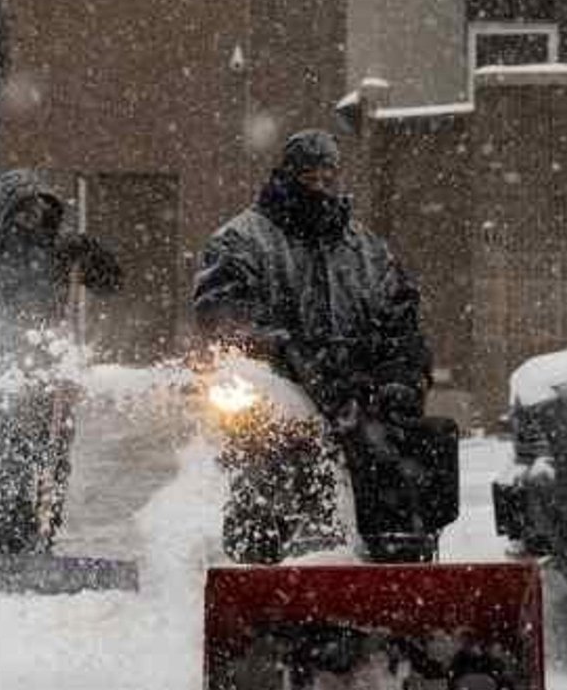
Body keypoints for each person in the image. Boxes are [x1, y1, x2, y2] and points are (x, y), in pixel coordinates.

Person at [193, 129, 455, 562]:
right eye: (309, 176)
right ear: (286, 175)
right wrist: (287, 352)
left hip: (361, 403)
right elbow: (221, 314)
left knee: (416, 457)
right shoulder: (240, 242)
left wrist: (401, 376)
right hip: (277, 404)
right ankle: (262, 577)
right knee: (268, 488)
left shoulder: (366, 250)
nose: (319, 186)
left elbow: (401, 323)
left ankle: (400, 560)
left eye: (327, 176)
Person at [0, 168, 122, 556]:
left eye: (39, 210)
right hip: (5, 372)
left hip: (50, 376)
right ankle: (8, 540)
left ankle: (42, 537)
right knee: (11, 461)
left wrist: (90, 255)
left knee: (52, 459)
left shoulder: (58, 250)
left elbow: (111, 283)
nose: (32, 219)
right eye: (23, 211)